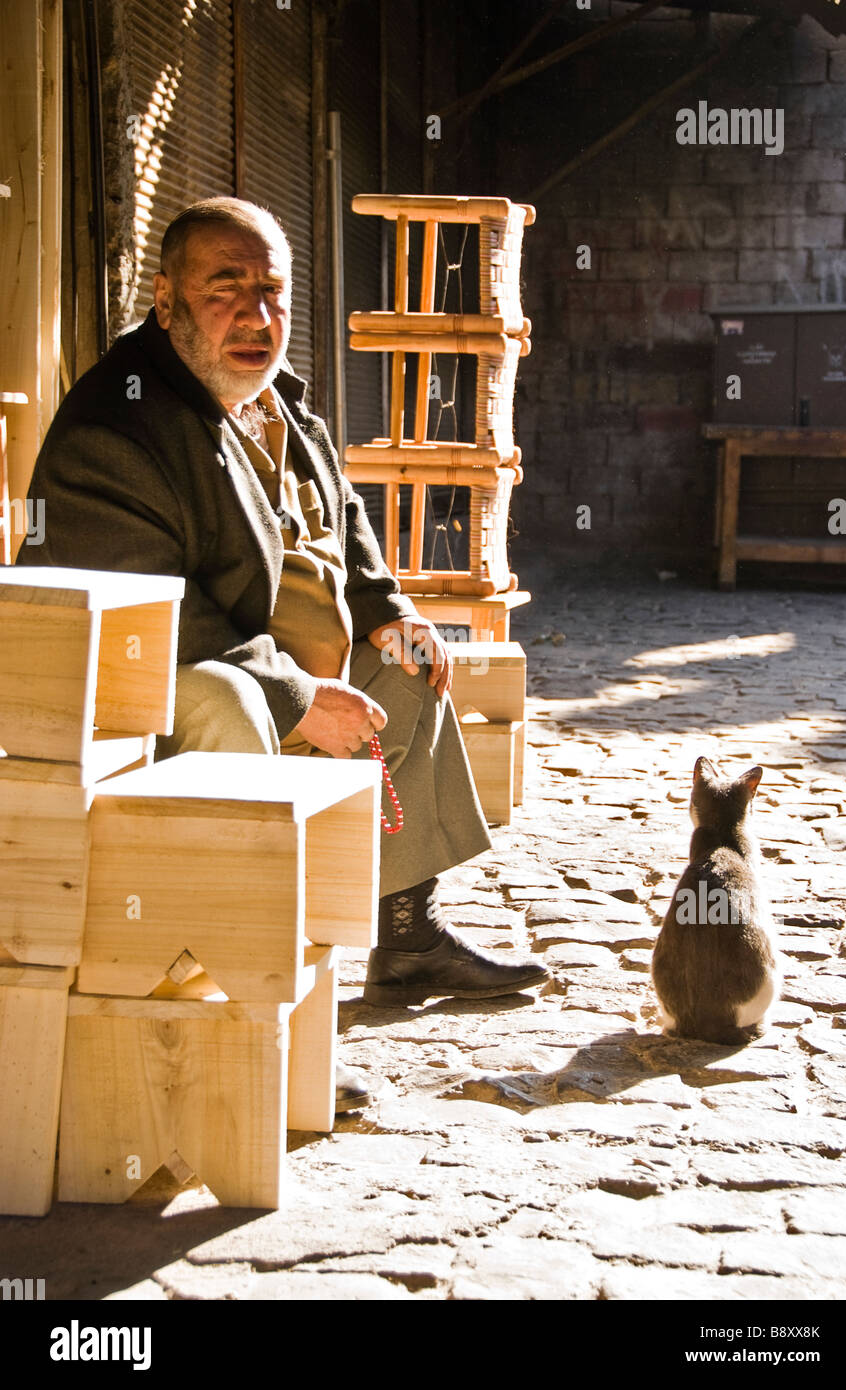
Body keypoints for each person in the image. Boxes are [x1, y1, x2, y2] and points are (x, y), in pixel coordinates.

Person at [18, 197, 549, 1108]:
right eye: (226, 290)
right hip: (160, 683)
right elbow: (160, 616)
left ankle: (408, 932)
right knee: (228, 698)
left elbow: (341, 514)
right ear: (166, 299)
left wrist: (387, 611)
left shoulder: (273, 396)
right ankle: (251, 1004)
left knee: (412, 667)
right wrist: (301, 696)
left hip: (286, 656)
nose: (257, 318)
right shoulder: (120, 424)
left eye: (272, 292)